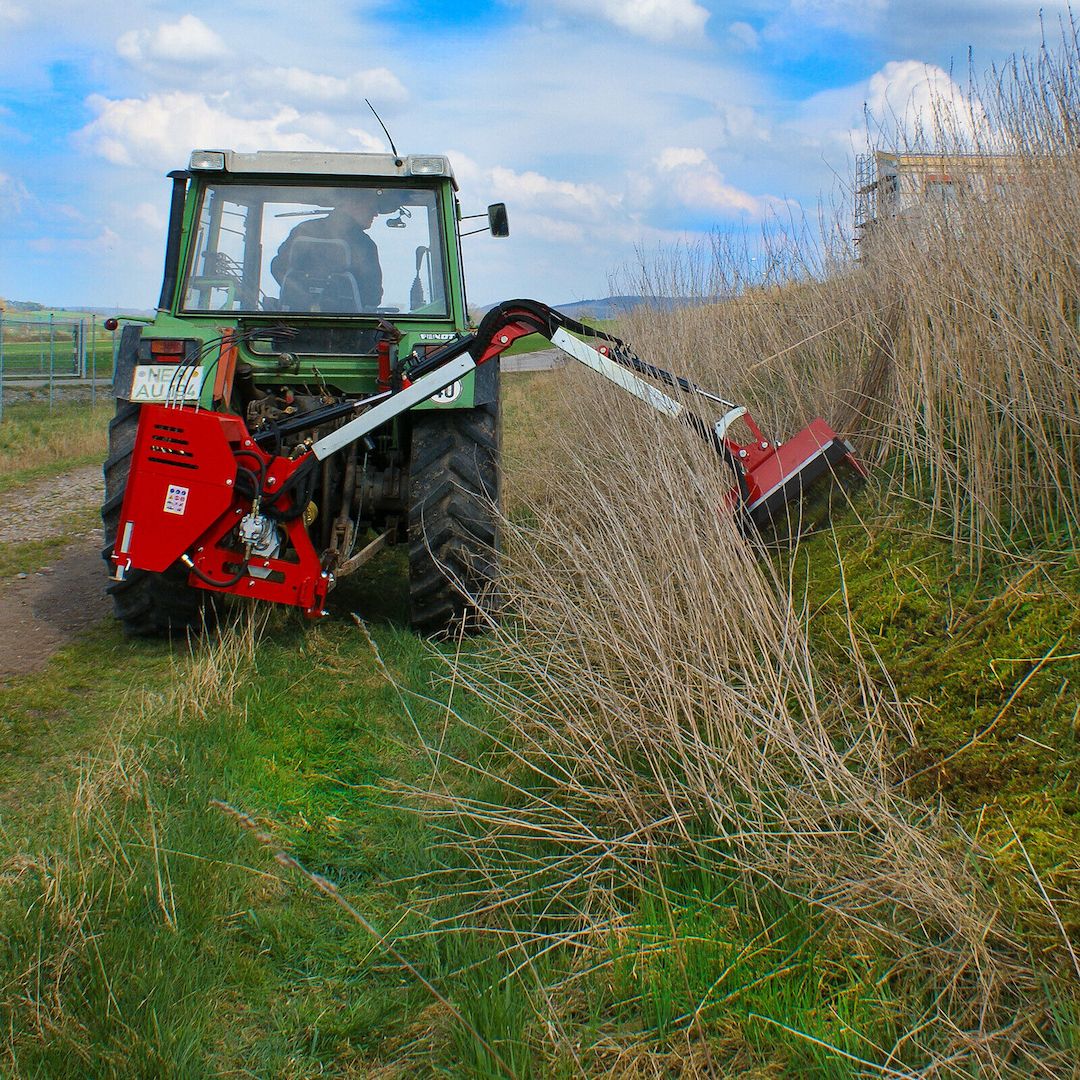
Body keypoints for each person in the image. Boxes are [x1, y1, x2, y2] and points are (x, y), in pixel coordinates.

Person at [271, 189, 383, 310]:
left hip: (292, 319)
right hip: (347, 321)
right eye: (371, 207)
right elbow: (373, 296)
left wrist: (301, 296)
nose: (375, 214)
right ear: (351, 203)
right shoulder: (364, 244)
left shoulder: (303, 230)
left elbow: (278, 268)